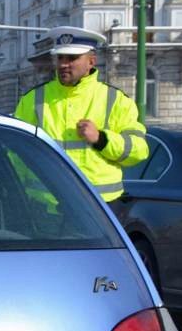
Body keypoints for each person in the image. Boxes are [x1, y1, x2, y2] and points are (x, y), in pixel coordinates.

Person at [12, 26, 148, 202]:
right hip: (44, 205)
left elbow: (138, 151)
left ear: (91, 62)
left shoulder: (116, 100)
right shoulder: (32, 99)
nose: (63, 64)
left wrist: (101, 139)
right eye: (60, 57)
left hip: (98, 209)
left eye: (72, 58)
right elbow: (15, 152)